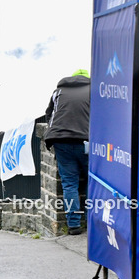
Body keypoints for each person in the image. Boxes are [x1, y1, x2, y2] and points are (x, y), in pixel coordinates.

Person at [44, 69, 91, 235]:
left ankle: (73, 225)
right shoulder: (94, 90)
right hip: (86, 141)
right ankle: (91, 221)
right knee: (92, 181)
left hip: (60, 140)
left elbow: (49, 115)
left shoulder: (58, 92)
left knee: (70, 184)